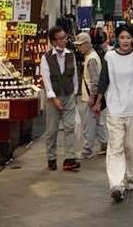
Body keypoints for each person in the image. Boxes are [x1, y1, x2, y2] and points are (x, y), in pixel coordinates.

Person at [94, 25, 133, 202]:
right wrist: (98, 101)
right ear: (117, 38)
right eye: (122, 37)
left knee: (130, 147)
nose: (125, 41)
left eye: (128, 37)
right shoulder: (109, 57)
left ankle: (130, 177)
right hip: (115, 108)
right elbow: (104, 80)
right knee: (116, 146)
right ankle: (117, 184)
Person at [40, 26, 81, 173]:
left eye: (65, 37)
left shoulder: (71, 55)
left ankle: (69, 159)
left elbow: (75, 75)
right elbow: (46, 79)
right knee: (52, 130)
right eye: (61, 38)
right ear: (53, 41)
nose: (64, 41)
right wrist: (52, 97)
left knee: (70, 127)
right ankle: (51, 158)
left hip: (69, 95)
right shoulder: (46, 57)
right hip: (53, 98)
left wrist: (75, 93)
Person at [74, 32, 107, 159]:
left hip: (91, 98)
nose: (79, 48)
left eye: (80, 45)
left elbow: (94, 81)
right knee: (98, 123)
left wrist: (93, 99)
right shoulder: (91, 57)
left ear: (87, 44)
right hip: (93, 97)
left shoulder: (91, 59)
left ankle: (87, 150)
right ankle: (105, 145)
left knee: (88, 125)